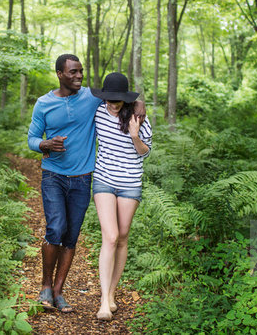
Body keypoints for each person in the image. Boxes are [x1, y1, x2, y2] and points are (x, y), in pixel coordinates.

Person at [27, 55, 145, 313]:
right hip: (53, 175)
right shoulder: (43, 103)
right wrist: (44, 145)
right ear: (60, 74)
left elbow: (121, 97)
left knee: (71, 235)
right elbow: (32, 138)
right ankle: (46, 286)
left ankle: (59, 292)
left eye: (80, 71)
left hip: (83, 178)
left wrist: (139, 105)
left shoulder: (92, 98)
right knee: (56, 227)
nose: (79, 76)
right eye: (73, 72)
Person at [90, 72, 152, 321]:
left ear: (125, 100)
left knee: (123, 238)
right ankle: (104, 300)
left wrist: (135, 133)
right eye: (109, 100)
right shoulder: (97, 112)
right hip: (104, 179)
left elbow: (144, 153)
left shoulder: (138, 117)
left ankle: (112, 293)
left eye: (117, 101)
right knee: (111, 236)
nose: (112, 104)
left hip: (130, 184)